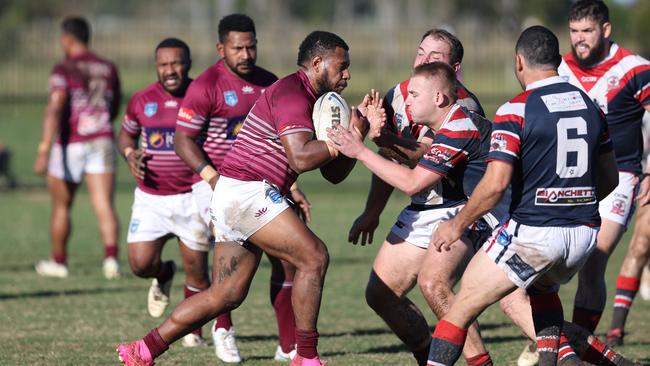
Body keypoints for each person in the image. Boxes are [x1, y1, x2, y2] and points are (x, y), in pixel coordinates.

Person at [117, 30, 365, 366]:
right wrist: (350, 137)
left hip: (237, 195)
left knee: (225, 294)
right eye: (342, 65)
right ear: (318, 63)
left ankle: (144, 349)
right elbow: (301, 159)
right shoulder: (293, 92)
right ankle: (305, 357)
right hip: (247, 192)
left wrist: (357, 142)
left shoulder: (309, 99)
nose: (347, 73)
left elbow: (333, 173)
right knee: (314, 257)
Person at [425, 25, 620, 366]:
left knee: (459, 308)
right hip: (585, 235)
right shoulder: (590, 107)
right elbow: (610, 178)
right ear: (558, 61)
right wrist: (571, 202)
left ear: (519, 62)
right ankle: (558, 360)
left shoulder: (516, 109)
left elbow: (495, 184)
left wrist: (457, 225)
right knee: (542, 290)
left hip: (535, 233)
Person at [173, 14, 310, 362]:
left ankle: (288, 344)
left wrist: (292, 188)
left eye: (252, 46)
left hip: (265, 185)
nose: (246, 54)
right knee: (226, 272)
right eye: (238, 48)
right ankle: (223, 329)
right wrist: (214, 180)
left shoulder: (272, 84)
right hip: (217, 182)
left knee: (290, 261)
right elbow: (183, 140)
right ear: (221, 48)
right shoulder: (206, 84)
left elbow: (284, 145)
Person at [555, 0, 650, 340]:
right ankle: (550, 340)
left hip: (622, 177)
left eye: (587, 31)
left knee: (595, 259)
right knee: (550, 265)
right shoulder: (557, 68)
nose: (579, 39)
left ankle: (578, 347)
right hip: (570, 177)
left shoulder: (634, 68)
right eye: (574, 32)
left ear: (606, 30)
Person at [119, 37, 220, 349]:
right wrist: (128, 153)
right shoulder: (141, 100)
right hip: (151, 197)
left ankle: (195, 333)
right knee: (139, 264)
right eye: (163, 64)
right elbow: (127, 135)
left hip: (193, 195)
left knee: (199, 274)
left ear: (188, 63)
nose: (170, 70)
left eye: (176, 63)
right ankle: (163, 273)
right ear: (156, 67)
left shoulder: (201, 95)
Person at [350, 28, 484, 248]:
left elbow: (424, 154)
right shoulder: (397, 96)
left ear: (454, 68)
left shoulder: (463, 108)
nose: (424, 61)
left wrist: (380, 138)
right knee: (380, 284)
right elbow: (390, 156)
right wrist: (372, 213)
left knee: (434, 282)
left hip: (460, 210)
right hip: (421, 207)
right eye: (421, 53)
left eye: (435, 58)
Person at [33, 16, 121, 279]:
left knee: (62, 206)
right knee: (104, 203)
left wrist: (44, 148)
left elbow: (55, 107)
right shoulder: (108, 67)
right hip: (103, 138)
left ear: (67, 39)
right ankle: (111, 262)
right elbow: (115, 105)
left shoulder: (63, 69)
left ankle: (59, 263)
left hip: (70, 142)